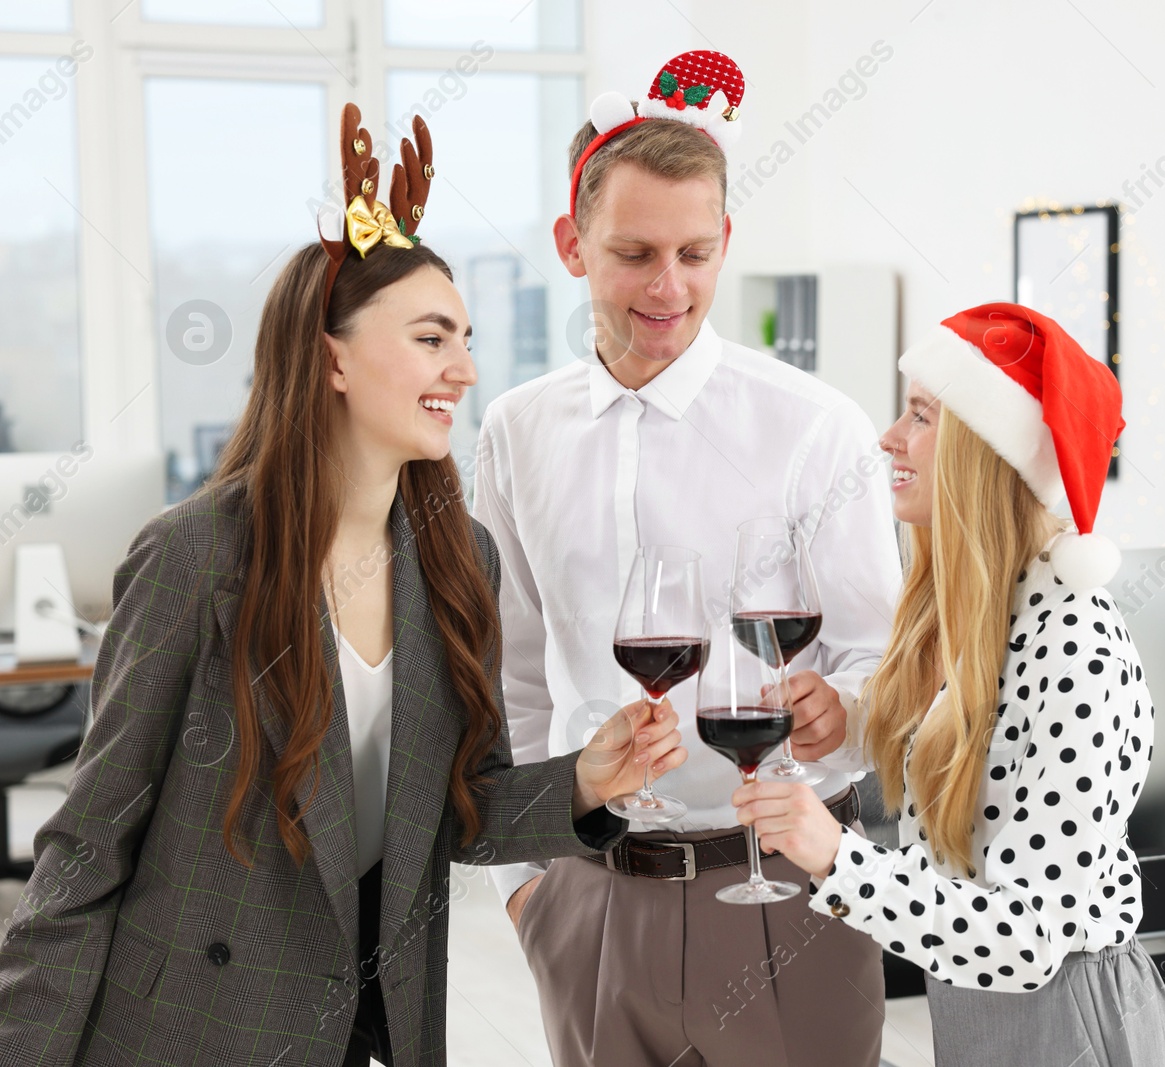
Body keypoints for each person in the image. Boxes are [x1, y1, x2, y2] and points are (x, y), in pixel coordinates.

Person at [0, 104, 685, 1067]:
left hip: (376, 1028)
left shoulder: (459, 560)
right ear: (331, 357)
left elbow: (451, 811)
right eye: (432, 339)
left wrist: (584, 780)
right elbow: (84, 848)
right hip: (188, 1034)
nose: (466, 368)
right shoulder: (196, 557)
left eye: (466, 338)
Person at [473, 51, 901, 1066]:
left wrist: (845, 714)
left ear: (725, 243)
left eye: (695, 254)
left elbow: (887, 660)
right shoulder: (513, 430)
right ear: (571, 245)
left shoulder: (814, 427)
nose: (669, 289)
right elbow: (511, 673)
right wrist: (529, 887)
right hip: (589, 901)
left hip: (786, 889)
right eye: (633, 253)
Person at [732, 304, 1165, 1065]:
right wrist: (849, 717)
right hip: (979, 1011)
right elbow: (975, 757)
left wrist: (835, 856)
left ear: (986, 450)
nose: (889, 437)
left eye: (920, 415)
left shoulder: (1076, 644)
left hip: (1065, 1019)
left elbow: (1027, 941)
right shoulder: (982, 611)